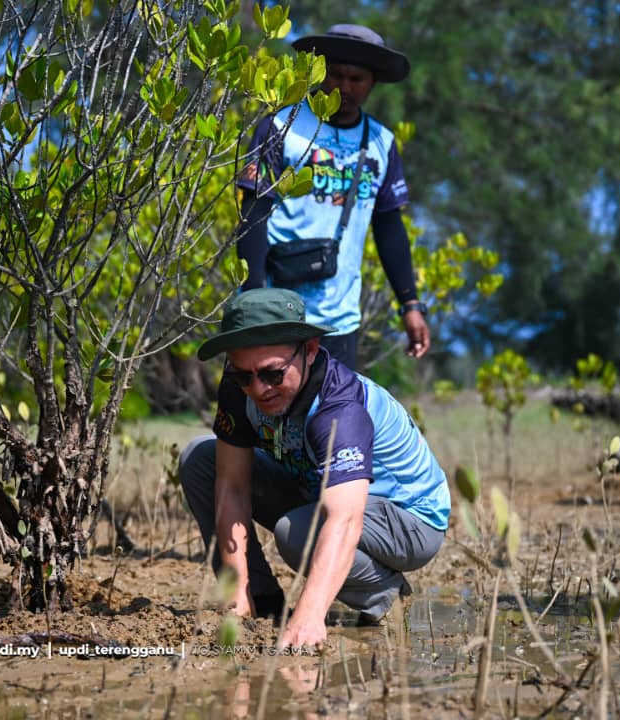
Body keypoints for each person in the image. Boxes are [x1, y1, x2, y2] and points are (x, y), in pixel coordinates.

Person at [179, 288, 449, 648]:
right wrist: (236, 595)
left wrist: (309, 615)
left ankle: (384, 592)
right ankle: (262, 603)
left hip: (409, 518)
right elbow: (233, 489)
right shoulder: (239, 388)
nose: (258, 389)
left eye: (273, 374)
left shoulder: (340, 407)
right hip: (319, 492)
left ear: (309, 350)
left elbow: (344, 519)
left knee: (296, 534)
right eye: (244, 376)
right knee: (200, 458)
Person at [235, 23, 429, 370]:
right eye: (336, 75)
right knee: (258, 416)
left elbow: (389, 227)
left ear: (373, 82)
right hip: (275, 310)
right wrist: (254, 299)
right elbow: (254, 211)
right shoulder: (282, 127)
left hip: (340, 318)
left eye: (357, 79)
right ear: (320, 72)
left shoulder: (381, 142)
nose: (345, 87)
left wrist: (410, 304)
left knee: (334, 421)